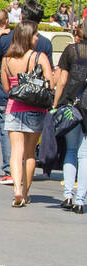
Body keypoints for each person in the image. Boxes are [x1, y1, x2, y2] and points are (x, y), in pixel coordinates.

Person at [0, 2, 53, 186]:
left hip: (10, 99)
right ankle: (24, 189)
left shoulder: (7, 39)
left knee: (11, 142)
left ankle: (10, 173)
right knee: (30, 150)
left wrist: (0, 71)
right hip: (35, 103)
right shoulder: (44, 43)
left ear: (22, 16)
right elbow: (50, 79)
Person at [0, 20, 53, 207]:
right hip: (35, 110)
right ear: (28, 37)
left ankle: (16, 190)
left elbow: (6, 88)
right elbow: (50, 84)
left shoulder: (6, 59)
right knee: (30, 153)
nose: (37, 38)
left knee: (16, 152)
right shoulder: (40, 57)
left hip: (13, 108)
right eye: (35, 34)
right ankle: (26, 192)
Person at [52, 14, 87, 212]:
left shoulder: (71, 51)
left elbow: (62, 81)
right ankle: (81, 201)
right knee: (85, 154)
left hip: (71, 107)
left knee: (71, 151)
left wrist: (56, 105)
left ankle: (68, 196)